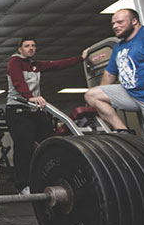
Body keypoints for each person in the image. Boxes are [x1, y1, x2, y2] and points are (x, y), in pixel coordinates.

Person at [6, 37, 89, 195]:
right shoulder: (15, 62)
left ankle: (53, 177)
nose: (31, 48)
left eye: (33, 46)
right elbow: (18, 81)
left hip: (35, 109)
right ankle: (23, 185)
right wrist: (29, 96)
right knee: (24, 147)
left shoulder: (36, 65)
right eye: (27, 46)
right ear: (20, 49)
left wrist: (81, 58)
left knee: (50, 142)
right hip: (18, 109)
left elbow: (57, 64)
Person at [84, 8, 144, 142]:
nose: (115, 26)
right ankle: (124, 132)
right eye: (113, 24)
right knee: (92, 95)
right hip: (131, 94)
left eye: (120, 22)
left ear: (134, 21)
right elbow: (109, 74)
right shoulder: (119, 47)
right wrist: (104, 95)